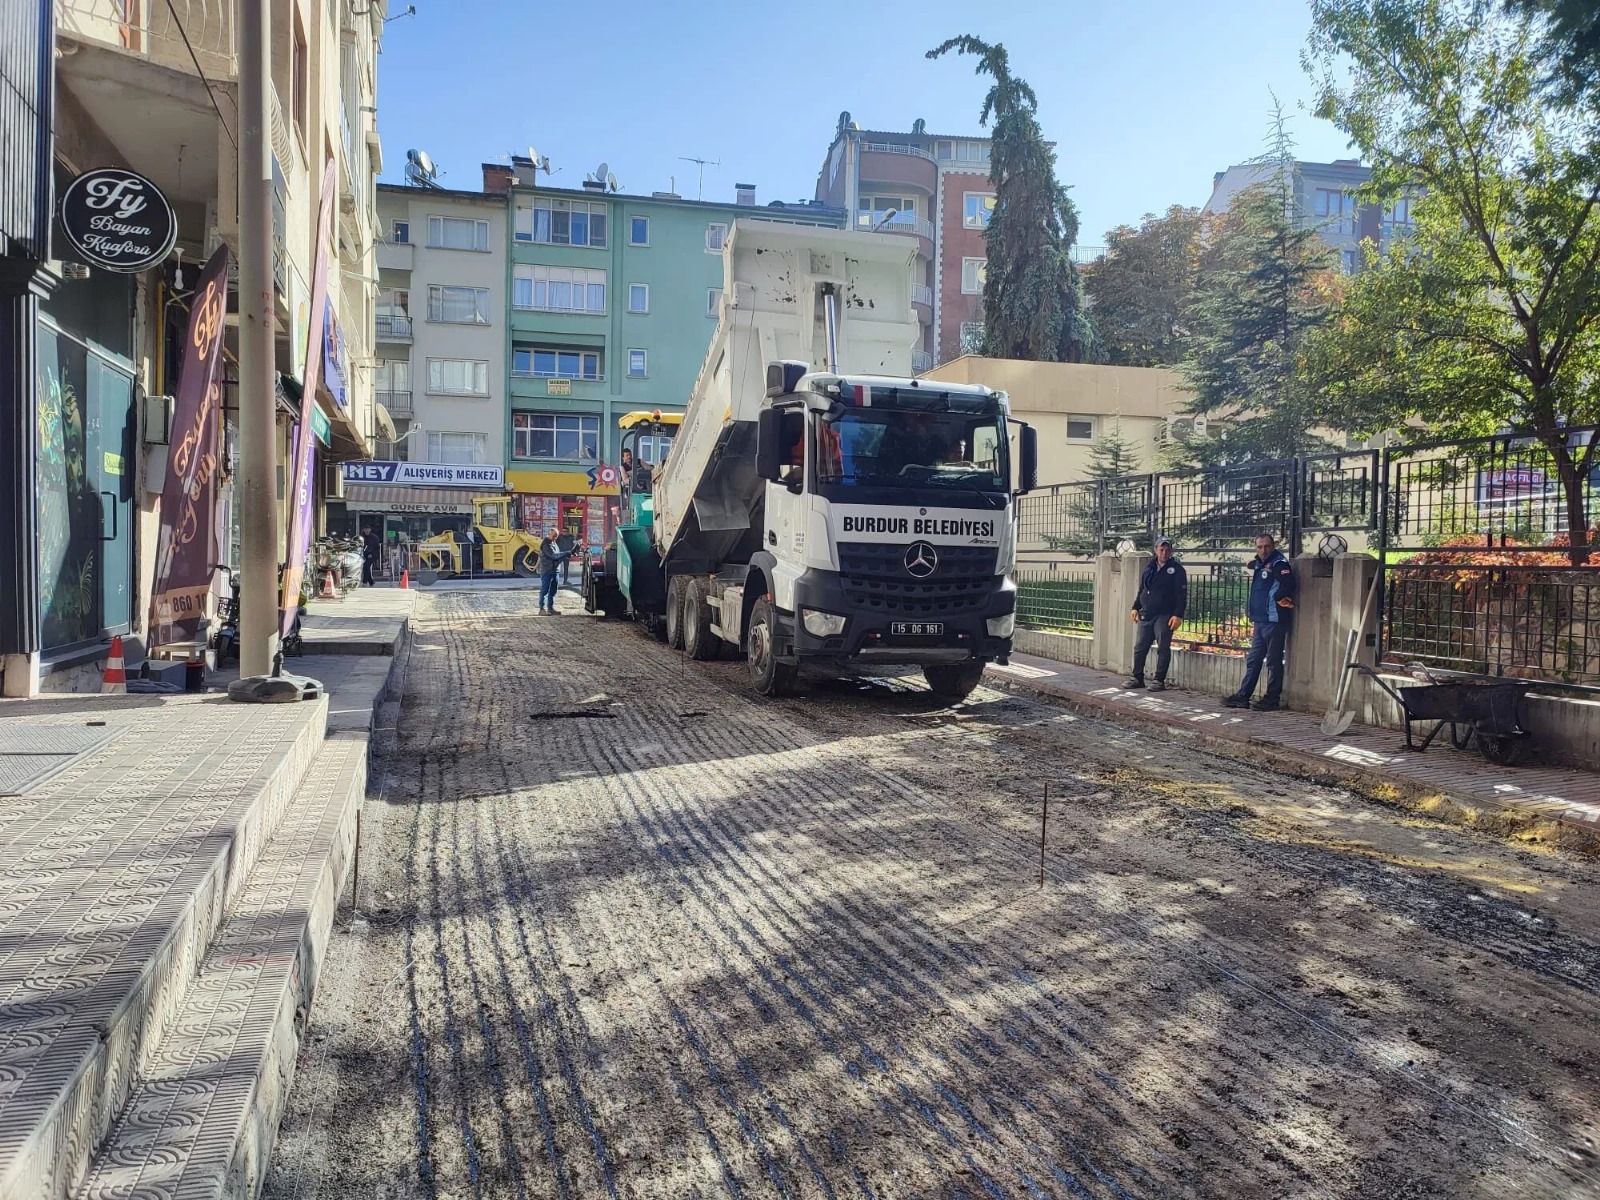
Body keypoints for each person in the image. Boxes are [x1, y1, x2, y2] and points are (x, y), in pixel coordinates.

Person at [1223, 533, 1298, 712]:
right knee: (1254, 659)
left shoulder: (1279, 564)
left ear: (1273, 546)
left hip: (1274, 621)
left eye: (1267, 546)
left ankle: (1272, 699)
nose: (1263, 550)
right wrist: (1252, 564)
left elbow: (1289, 583)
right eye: (1259, 547)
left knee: (1273, 661)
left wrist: (1280, 597)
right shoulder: (1261, 563)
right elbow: (1257, 567)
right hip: (1260, 621)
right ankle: (1243, 696)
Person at [1125, 536, 1187, 691]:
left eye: (1167, 550)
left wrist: (1178, 615)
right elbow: (1142, 589)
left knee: (1163, 648)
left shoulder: (1177, 570)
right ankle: (1137, 677)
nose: (1164, 553)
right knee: (1140, 647)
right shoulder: (1149, 567)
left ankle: (1159, 680)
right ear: (1156, 550)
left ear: (1171, 552)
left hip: (1165, 615)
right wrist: (1135, 606)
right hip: (1146, 614)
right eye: (1161, 549)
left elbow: (1181, 595)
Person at [537, 527, 569, 613]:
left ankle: (550, 608)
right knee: (545, 589)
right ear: (549, 534)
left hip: (555, 570)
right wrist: (565, 553)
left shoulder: (554, 543)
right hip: (547, 570)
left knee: (553, 590)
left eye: (556, 536)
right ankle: (542, 608)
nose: (555, 538)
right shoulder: (546, 544)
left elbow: (557, 556)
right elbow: (553, 556)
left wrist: (565, 555)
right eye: (553, 536)